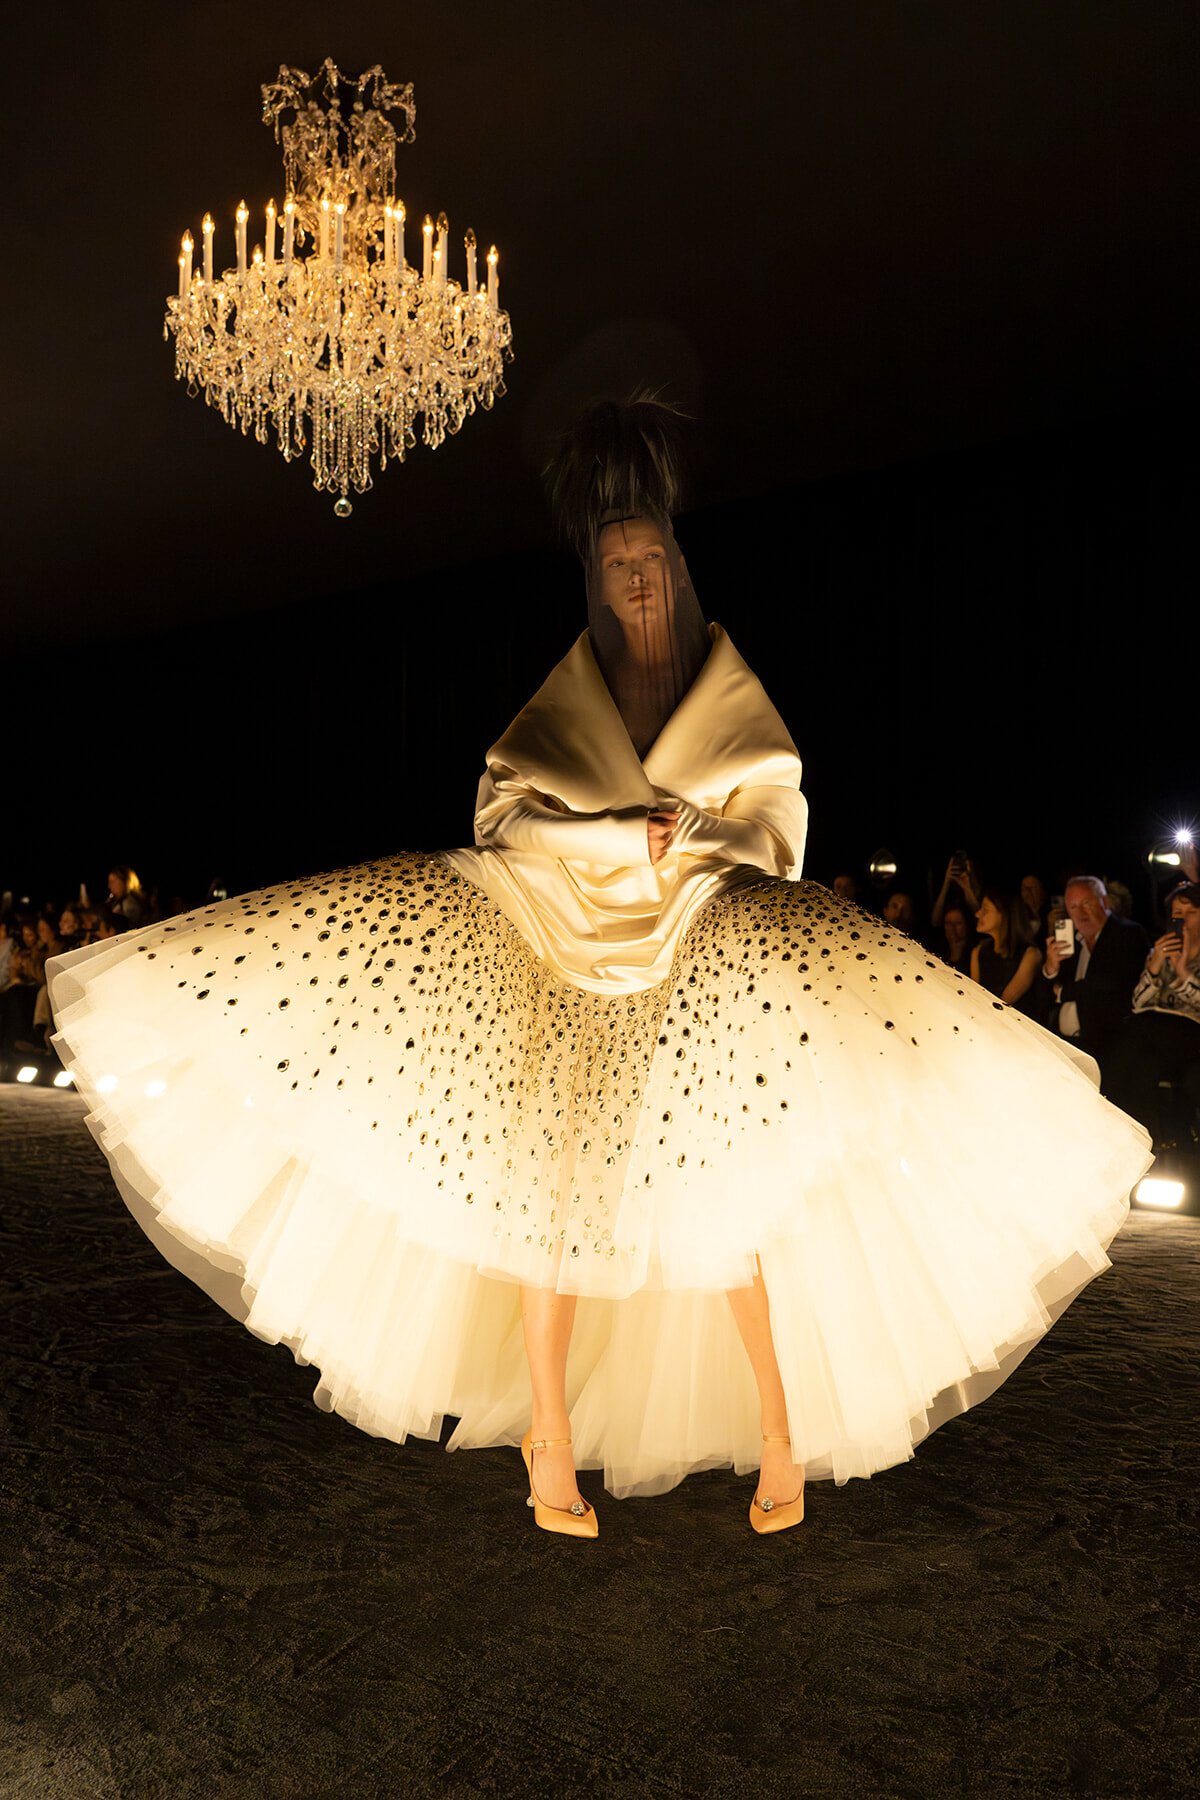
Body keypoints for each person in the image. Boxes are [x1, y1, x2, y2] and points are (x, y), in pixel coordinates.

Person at [47, 397, 1152, 1542]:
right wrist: (617, 835)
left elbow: (777, 824)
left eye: (652, 556)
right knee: (552, 1204)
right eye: (616, 559)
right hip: (558, 950)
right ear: (596, 576)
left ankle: (782, 1432)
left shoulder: (730, 695)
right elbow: (503, 815)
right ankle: (551, 1439)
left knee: (733, 1213)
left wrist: (693, 837)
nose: (635, 577)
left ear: (679, 566)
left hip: (695, 953)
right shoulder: (566, 698)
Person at [1103, 882, 1200, 1144]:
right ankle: (1149, 1141)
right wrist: (1156, 965)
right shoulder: (1161, 953)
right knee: (1145, 1069)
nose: (1181, 919)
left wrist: (1182, 973)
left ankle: (1102, 1097)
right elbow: (1138, 1002)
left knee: (1139, 1027)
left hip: (1191, 1032)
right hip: (1154, 1035)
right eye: (1176, 913)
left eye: (1189, 912)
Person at [1040, 876, 1150, 1073]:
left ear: (1104, 902)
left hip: (1108, 1047)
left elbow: (1112, 982)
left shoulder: (1128, 933)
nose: (1080, 912)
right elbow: (1045, 993)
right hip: (1065, 1044)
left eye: (1086, 903)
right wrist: (1051, 967)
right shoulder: (1071, 941)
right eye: (1073, 907)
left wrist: (1064, 992)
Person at [971, 890, 1041, 1017]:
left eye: (985, 909)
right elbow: (975, 996)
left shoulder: (1030, 955)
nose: (977, 914)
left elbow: (1003, 1004)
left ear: (1004, 914)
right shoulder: (978, 952)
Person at [938, 903, 974, 974]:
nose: (952, 927)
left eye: (958, 923)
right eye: (948, 923)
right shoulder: (938, 955)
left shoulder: (974, 957)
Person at [107, 865, 145, 931]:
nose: (109, 886)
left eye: (113, 882)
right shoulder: (113, 901)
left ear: (124, 882)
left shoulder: (130, 903)